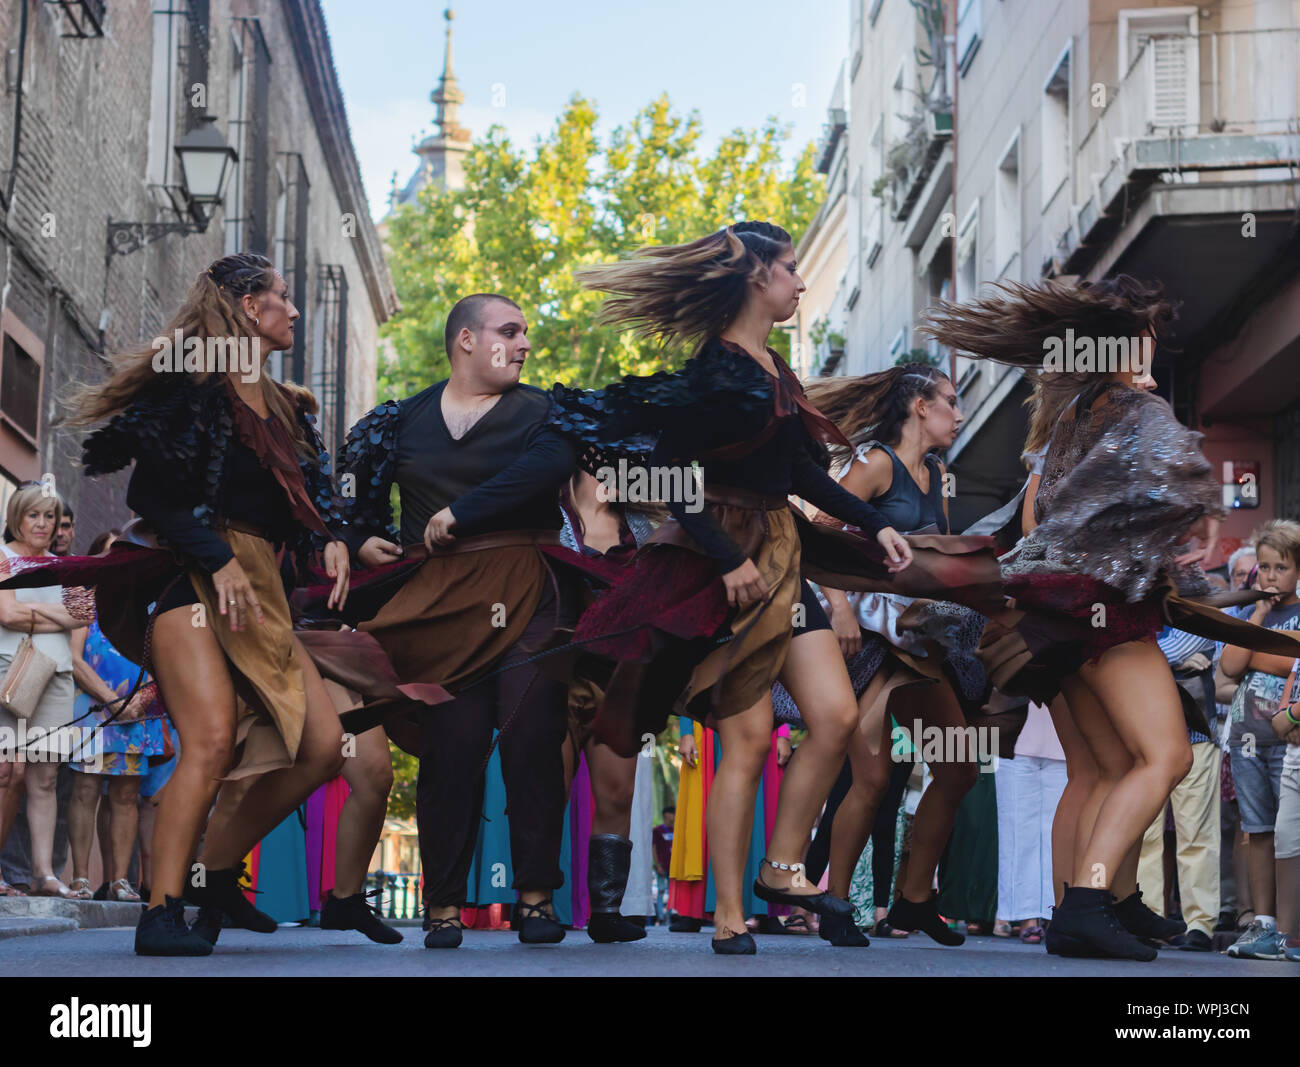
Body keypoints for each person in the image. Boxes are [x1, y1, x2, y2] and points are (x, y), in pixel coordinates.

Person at [546, 221, 1001, 954]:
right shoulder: (715, 372)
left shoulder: (775, 370)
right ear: (756, 275)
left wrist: (868, 526)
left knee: (835, 716)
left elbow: (802, 475)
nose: (799, 281)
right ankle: (729, 914)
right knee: (749, 737)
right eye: (790, 269)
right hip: (718, 564)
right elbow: (669, 478)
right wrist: (726, 558)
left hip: (783, 554)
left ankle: (782, 867)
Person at [921, 275, 1300, 960]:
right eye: (1149, 331)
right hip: (1098, 615)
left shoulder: (1073, 416)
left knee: (1100, 767)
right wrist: (1203, 511)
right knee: (1167, 754)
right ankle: (1092, 900)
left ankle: (1095, 903)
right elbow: (1174, 470)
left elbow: (1041, 521)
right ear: (1127, 342)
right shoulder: (1130, 408)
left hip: (1055, 615)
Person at [11, 252, 374, 956]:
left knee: (325, 745)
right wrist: (219, 558)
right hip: (194, 581)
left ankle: (208, 871)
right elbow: (152, 497)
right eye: (283, 297)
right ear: (246, 307)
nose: (294, 311)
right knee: (205, 744)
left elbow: (306, 502)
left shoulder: (287, 408)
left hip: (261, 590)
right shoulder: (198, 385)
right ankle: (161, 910)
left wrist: (329, 537)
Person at [337, 292, 580, 949]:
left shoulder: (547, 411)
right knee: (453, 748)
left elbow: (546, 471)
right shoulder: (402, 420)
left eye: (526, 331)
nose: (525, 343)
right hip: (438, 603)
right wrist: (359, 538)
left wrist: (466, 511)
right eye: (511, 331)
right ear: (466, 340)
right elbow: (349, 487)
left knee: (533, 736)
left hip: (528, 589)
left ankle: (536, 896)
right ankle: (441, 902)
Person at [796, 363, 992, 947]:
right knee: (873, 777)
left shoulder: (936, 473)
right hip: (865, 642)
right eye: (950, 402)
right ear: (918, 406)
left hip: (919, 643)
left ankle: (912, 901)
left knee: (958, 767)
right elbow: (818, 530)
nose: (960, 414)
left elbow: (931, 561)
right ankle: (836, 904)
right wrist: (840, 607)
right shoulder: (875, 462)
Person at [65, 529, 168, 903]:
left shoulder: (147, 602)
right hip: (94, 709)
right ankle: (79, 878)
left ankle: (120, 880)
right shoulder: (83, 596)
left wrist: (145, 696)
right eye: (111, 554)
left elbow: (164, 655)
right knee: (86, 789)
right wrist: (112, 701)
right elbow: (74, 660)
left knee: (126, 795)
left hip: (139, 711)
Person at [1219, 519, 1300, 959]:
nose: (1270, 576)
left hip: (1289, 742)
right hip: (1246, 736)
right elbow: (1231, 668)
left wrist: (1262, 656)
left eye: (1281, 567)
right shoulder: (1254, 611)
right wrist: (1260, 616)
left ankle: (1290, 928)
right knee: (1257, 828)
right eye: (1264, 568)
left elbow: (1284, 665)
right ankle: (1262, 923)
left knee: (1290, 832)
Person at [0, 486, 84, 899]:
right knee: (5, 774)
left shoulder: (68, 566)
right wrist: (58, 617)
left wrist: (36, 616)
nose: (42, 524)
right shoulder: (3, 557)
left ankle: (43, 874)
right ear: (17, 517)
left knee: (45, 778)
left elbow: (83, 614)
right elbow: (7, 614)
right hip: (10, 672)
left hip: (57, 676)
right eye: (33, 515)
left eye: (49, 517)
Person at [1138, 626, 1221, 951]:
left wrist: (1145, 657)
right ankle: (1148, 917)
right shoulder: (1137, 596)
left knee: (1196, 834)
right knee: (1143, 834)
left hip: (1196, 733)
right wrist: (1178, 661)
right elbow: (1126, 653)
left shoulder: (1196, 597)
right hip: (1144, 735)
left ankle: (1200, 924)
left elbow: (1196, 637)